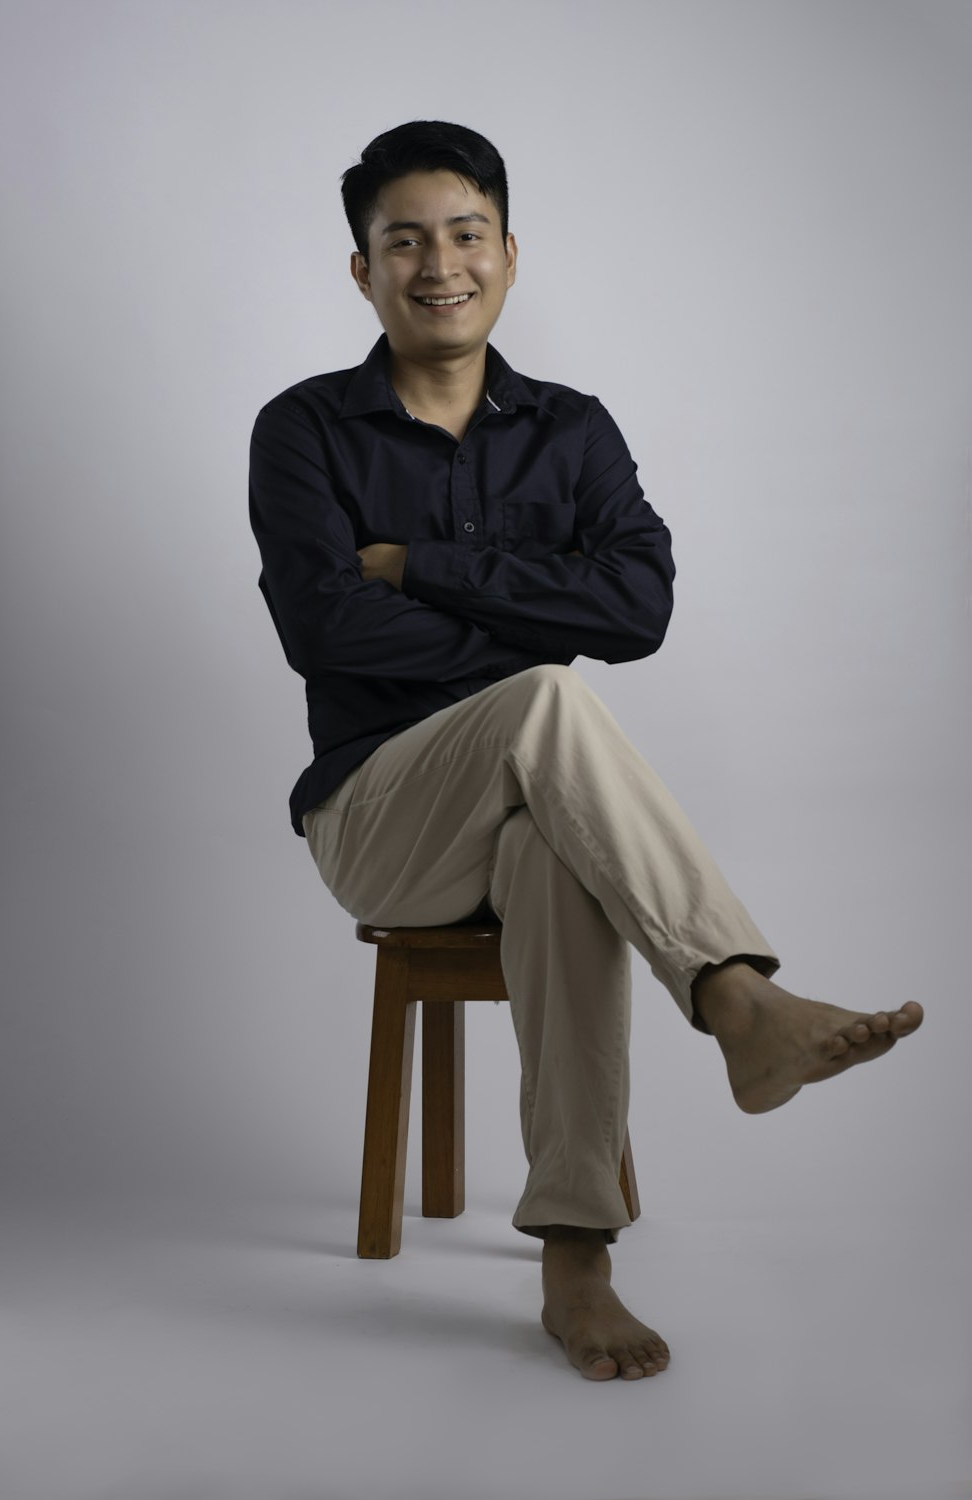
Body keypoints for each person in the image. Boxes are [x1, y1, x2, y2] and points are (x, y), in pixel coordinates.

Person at [248, 120, 923, 1383]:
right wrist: (525, 608)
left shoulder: (573, 429)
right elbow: (324, 626)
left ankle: (576, 1262)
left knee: (558, 860)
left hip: (531, 813)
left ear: (507, 253)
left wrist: (423, 568)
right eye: (404, 241)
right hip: (376, 818)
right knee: (550, 696)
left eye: (464, 234)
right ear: (362, 271)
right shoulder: (304, 432)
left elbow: (639, 611)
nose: (437, 263)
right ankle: (732, 995)